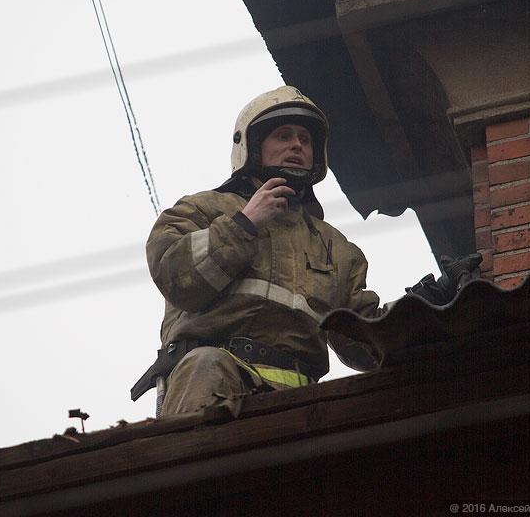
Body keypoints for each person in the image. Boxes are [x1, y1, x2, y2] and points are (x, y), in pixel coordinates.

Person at [132, 85, 385, 416]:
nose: (297, 145)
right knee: (207, 363)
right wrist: (243, 224)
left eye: (305, 139)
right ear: (251, 148)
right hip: (209, 388)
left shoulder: (336, 249)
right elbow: (176, 276)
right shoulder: (201, 210)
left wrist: (424, 313)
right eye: (284, 135)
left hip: (299, 409)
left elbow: (366, 345)